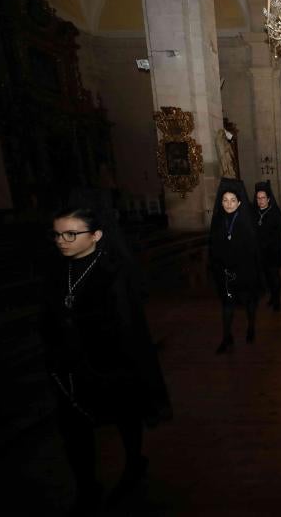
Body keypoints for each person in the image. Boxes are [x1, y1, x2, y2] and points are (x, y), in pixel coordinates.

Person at [40, 202, 171, 513]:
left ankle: (134, 461)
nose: (62, 240)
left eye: (71, 234)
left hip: (111, 363)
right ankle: (87, 486)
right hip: (68, 368)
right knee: (74, 430)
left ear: (96, 235)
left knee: (125, 417)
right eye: (57, 235)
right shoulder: (57, 271)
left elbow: (127, 324)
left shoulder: (113, 271)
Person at [210, 178, 263, 353]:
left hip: (245, 273)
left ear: (239, 202)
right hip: (226, 274)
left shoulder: (247, 222)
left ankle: (251, 328)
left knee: (248, 303)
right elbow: (213, 247)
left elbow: (253, 250)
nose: (228, 204)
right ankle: (226, 337)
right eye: (225, 200)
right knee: (227, 306)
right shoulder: (218, 221)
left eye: (232, 200)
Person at [254, 181, 281, 312]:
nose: (260, 201)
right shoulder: (254, 213)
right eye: (258, 198)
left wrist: (269, 244)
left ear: (268, 199)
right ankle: (272, 296)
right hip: (260, 253)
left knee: (274, 276)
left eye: (263, 198)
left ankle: (277, 300)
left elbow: (279, 233)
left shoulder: (275, 213)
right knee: (266, 277)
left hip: (273, 251)